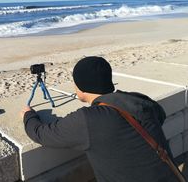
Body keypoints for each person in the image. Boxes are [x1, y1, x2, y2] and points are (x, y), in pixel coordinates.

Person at [21, 56, 182, 182]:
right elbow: (160, 115)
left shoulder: (88, 119)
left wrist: (28, 115)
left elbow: (42, 134)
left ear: (81, 88)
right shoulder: (139, 100)